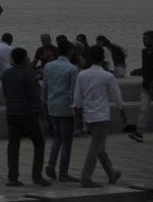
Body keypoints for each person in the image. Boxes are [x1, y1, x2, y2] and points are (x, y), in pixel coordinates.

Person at [74, 45, 125, 188]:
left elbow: (77, 98)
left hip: (88, 115)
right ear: (103, 58)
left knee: (99, 147)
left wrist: (78, 114)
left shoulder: (82, 74)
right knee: (96, 147)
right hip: (102, 115)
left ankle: (111, 173)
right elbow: (116, 95)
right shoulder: (107, 76)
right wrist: (121, 109)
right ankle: (86, 177)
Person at [2, 48, 50, 187]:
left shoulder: (6, 74)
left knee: (13, 145)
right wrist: (42, 116)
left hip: (11, 113)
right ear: (24, 59)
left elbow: (6, 93)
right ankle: (37, 176)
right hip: (27, 114)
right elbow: (35, 97)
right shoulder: (28, 74)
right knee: (39, 143)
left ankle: (13, 177)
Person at [42, 44, 78, 181]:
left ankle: (51, 163)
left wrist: (44, 102)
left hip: (52, 105)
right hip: (66, 107)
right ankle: (63, 172)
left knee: (57, 136)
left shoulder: (49, 66)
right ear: (70, 51)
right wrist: (78, 108)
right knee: (67, 141)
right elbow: (74, 90)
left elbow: (45, 86)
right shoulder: (72, 69)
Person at [132, 30, 152, 143]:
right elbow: (146, 68)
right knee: (143, 109)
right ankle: (139, 133)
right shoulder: (144, 52)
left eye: (146, 39)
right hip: (146, 87)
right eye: (143, 39)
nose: (143, 41)